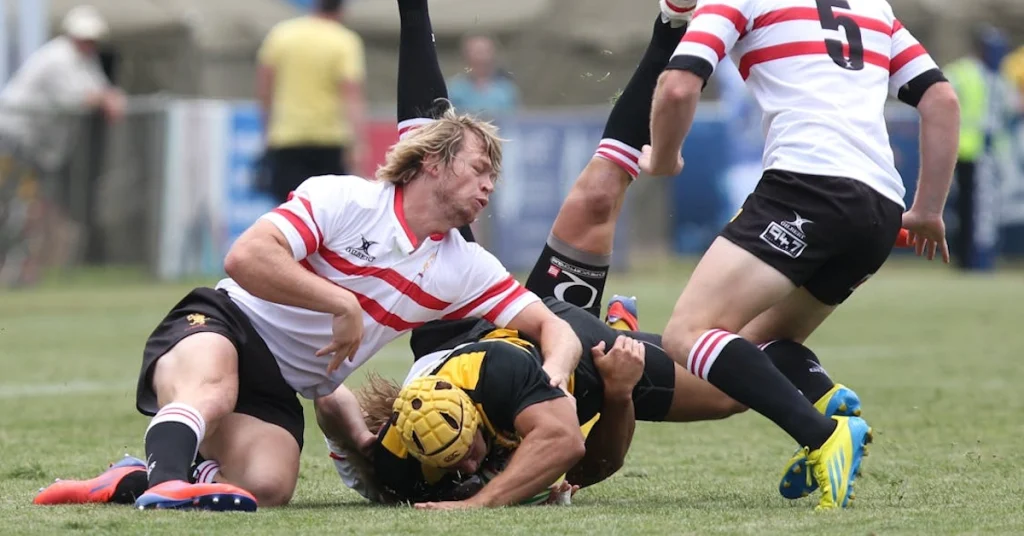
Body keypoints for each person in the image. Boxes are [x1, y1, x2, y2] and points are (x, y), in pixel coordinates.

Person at [32, 0, 583, 513]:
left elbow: (553, 328)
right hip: (223, 323)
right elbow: (245, 257)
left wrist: (556, 369)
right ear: (433, 164)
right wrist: (341, 303)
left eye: (493, 177)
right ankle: (168, 481)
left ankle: (137, 476)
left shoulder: (465, 267)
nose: (489, 186)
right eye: (479, 169)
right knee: (214, 389)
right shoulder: (347, 199)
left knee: (268, 488)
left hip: (277, 385)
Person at [641, 0, 960, 510]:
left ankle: (823, 435)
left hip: (807, 187)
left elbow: (678, 86)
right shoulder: (873, 5)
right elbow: (940, 99)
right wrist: (927, 209)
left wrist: (662, 158)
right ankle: (825, 399)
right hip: (880, 208)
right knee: (761, 341)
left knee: (687, 334)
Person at [257, 0, 367, 202]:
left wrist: (267, 129)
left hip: (287, 138)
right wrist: (356, 145)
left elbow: (265, 88)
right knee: (329, 211)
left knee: (289, 210)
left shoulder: (281, 35)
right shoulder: (344, 41)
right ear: (341, 10)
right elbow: (351, 95)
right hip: (330, 141)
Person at [447, 34, 519, 119]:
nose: (481, 57)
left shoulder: (506, 90)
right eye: (476, 52)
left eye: (485, 51)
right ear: (465, 56)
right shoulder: (454, 89)